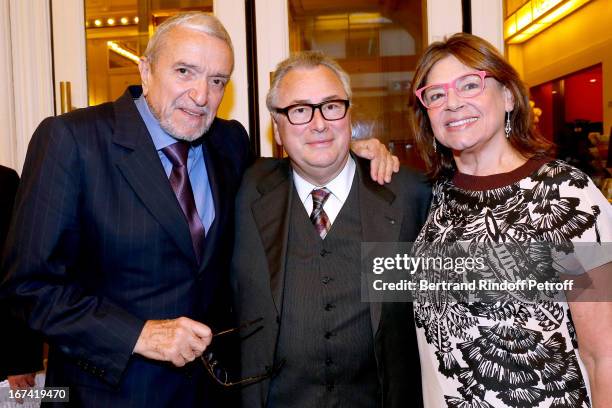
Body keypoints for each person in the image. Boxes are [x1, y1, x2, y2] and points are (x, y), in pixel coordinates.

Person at [0, 12, 398, 407]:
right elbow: (28, 288)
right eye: (185, 72)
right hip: (111, 394)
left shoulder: (229, 144)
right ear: (146, 70)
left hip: (214, 393)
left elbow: (294, 169)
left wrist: (348, 155)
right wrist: (138, 334)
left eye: (217, 80)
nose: (201, 95)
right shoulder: (72, 141)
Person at [409, 33, 612, 408]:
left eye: (470, 84)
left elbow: (605, 357)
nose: (452, 102)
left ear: (507, 97)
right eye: (435, 94)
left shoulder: (567, 194)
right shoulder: (434, 195)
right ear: (427, 114)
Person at [230, 51, 431, 408]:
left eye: (331, 106)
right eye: (300, 110)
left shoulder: (407, 195)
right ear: (276, 127)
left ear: (349, 114)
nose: (319, 123)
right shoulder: (246, 188)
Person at [0, 165, 44, 390]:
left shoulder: (4, 181)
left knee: (58, 397)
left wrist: (20, 360)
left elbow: (22, 270)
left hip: (5, 365)